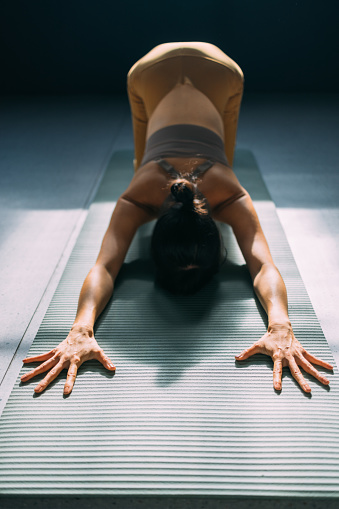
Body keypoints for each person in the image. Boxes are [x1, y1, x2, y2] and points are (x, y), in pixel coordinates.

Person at [21, 42, 333, 395]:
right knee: (152, 162)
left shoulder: (213, 193)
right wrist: (80, 328)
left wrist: (281, 324)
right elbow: (261, 265)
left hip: (195, 71)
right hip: (188, 70)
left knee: (155, 160)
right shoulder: (153, 196)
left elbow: (106, 267)